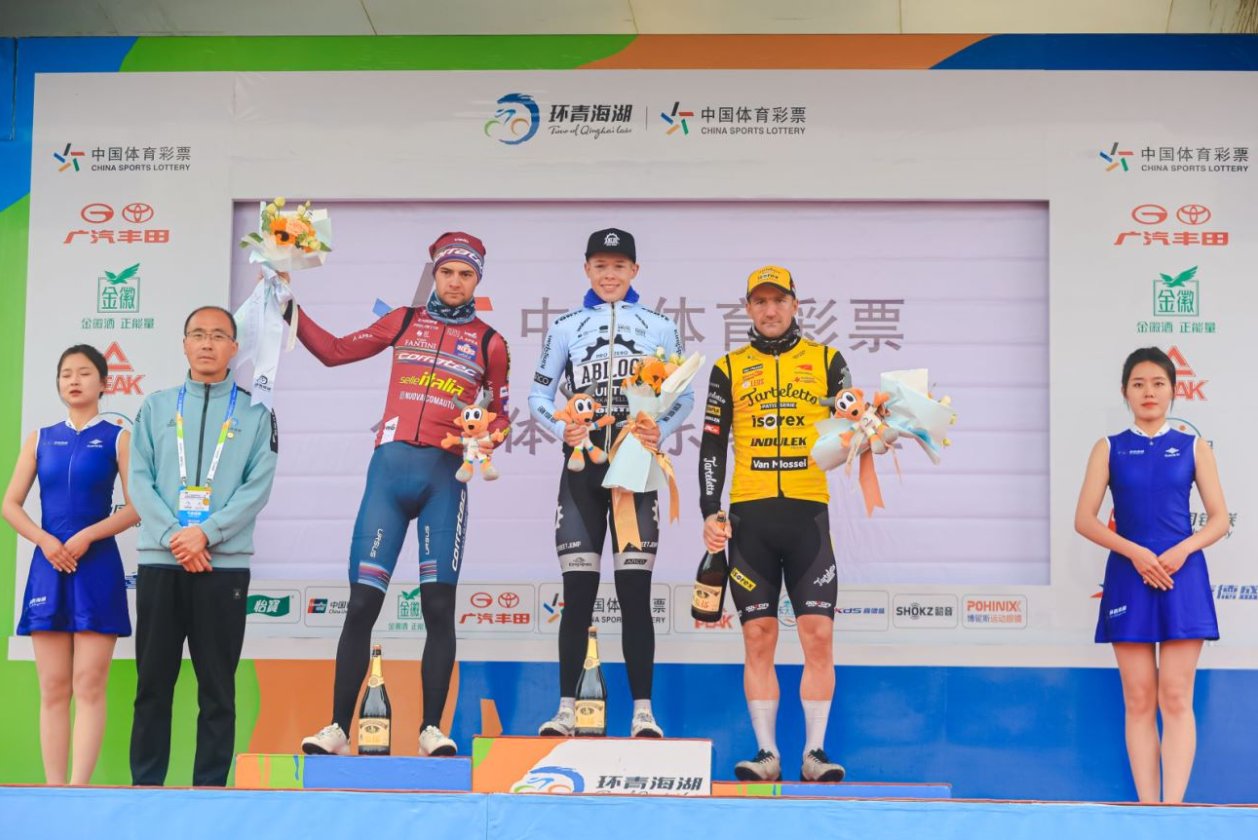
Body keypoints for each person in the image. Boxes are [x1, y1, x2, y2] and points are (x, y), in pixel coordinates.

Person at [298, 232, 510, 757]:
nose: (455, 282)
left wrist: (490, 436)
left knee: (438, 606)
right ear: (434, 274)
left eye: (466, 275)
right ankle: (337, 728)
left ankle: (431, 729)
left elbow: (500, 414)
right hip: (388, 478)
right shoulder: (403, 321)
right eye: (447, 272)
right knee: (361, 604)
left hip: (444, 480)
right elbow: (333, 352)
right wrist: (285, 307)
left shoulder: (490, 342)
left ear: (478, 281)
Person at [529, 227, 694, 738]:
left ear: (634, 271)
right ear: (586, 270)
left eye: (619, 266)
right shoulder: (565, 327)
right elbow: (537, 395)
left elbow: (684, 396)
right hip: (582, 468)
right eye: (600, 266)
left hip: (636, 468)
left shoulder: (661, 327)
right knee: (577, 593)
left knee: (634, 593)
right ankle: (565, 709)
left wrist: (660, 429)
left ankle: (643, 712)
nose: (609, 275)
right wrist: (561, 427)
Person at [699, 266, 850, 782]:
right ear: (748, 308)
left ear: (795, 304)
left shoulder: (828, 361)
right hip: (751, 517)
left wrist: (874, 435)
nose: (770, 310)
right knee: (759, 636)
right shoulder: (728, 367)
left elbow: (850, 431)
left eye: (778, 300)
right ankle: (767, 753)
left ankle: (814, 753)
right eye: (760, 301)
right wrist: (709, 510)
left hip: (808, 514)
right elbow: (713, 445)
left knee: (818, 634)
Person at [128, 306, 280, 786]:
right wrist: (176, 536)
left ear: (234, 347)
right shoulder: (155, 407)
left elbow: (257, 487)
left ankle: (210, 791)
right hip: (161, 562)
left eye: (218, 335)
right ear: (184, 344)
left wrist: (206, 533)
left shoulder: (257, 412)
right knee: (153, 685)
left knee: (217, 689)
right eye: (198, 334)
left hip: (223, 566)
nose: (207, 343)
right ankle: (146, 788)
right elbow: (139, 479)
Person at [1074, 346, 1229, 804]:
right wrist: (1136, 553)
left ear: (1174, 391)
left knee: (1176, 696)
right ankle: (1147, 808)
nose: (1149, 392)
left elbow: (1219, 519)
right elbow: (1084, 520)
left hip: (1183, 577)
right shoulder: (1108, 448)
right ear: (1125, 391)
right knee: (1139, 699)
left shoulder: (1194, 447)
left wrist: (1181, 550)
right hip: (1129, 577)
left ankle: (1172, 810)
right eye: (1138, 383)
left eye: (1158, 383)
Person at [3, 345, 138, 785]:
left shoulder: (118, 437)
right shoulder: (40, 438)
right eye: (66, 374)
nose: (74, 381)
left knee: (89, 683)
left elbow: (136, 507)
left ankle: (79, 789)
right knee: (54, 687)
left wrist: (87, 536)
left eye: (84, 373)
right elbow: (10, 504)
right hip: (48, 566)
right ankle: (54, 788)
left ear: (105, 383)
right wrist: (44, 539)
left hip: (96, 567)